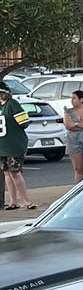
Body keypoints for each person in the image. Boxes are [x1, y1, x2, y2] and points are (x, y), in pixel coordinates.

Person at [0, 82, 37, 210]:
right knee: (7, 174)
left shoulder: (12, 104)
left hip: (14, 145)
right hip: (2, 146)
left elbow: (24, 122)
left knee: (15, 172)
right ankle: (13, 201)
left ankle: (26, 201)